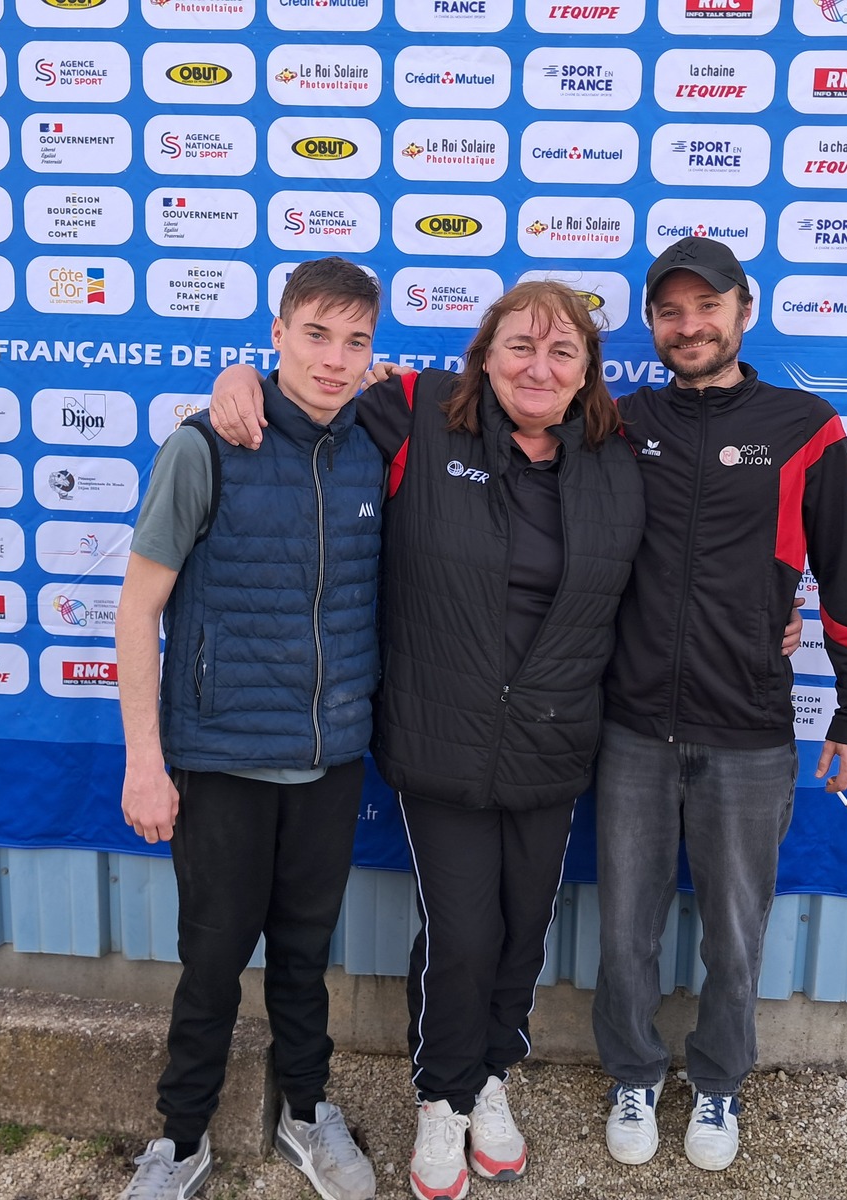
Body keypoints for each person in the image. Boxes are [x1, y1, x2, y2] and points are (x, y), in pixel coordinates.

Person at [211, 281, 646, 1200]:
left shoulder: (619, 457)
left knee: (523, 932)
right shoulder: (416, 414)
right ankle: (442, 1098)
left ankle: (490, 1078)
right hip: (442, 735)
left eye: (561, 352)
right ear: (484, 356)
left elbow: (702, 552)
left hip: (553, 738)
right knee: (463, 933)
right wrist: (239, 378)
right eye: (520, 346)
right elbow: (308, 408)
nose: (538, 367)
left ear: (586, 374)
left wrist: (774, 620)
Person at [591, 236, 847, 1173]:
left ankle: (719, 1084)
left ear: (743, 312)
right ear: (652, 324)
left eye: (707, 307)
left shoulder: (805, 427)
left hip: (750, 731)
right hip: (632, 725)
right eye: (670, 311)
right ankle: (633, 1072)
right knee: (624, 930)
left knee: (735, 934)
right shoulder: (618, 422)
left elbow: (846, 573)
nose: (690, 326)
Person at [114, 256, 383, 1200]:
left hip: (329, 759)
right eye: (316, 335)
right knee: (212, 964)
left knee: (304, 961)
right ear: (276, 335)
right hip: (222, 759)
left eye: (356, 341)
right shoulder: (206, 446)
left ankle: (306, 1114)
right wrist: (145, 763)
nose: (334, 359)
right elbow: (137, 609)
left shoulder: (374, 443)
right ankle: (180, 1141)